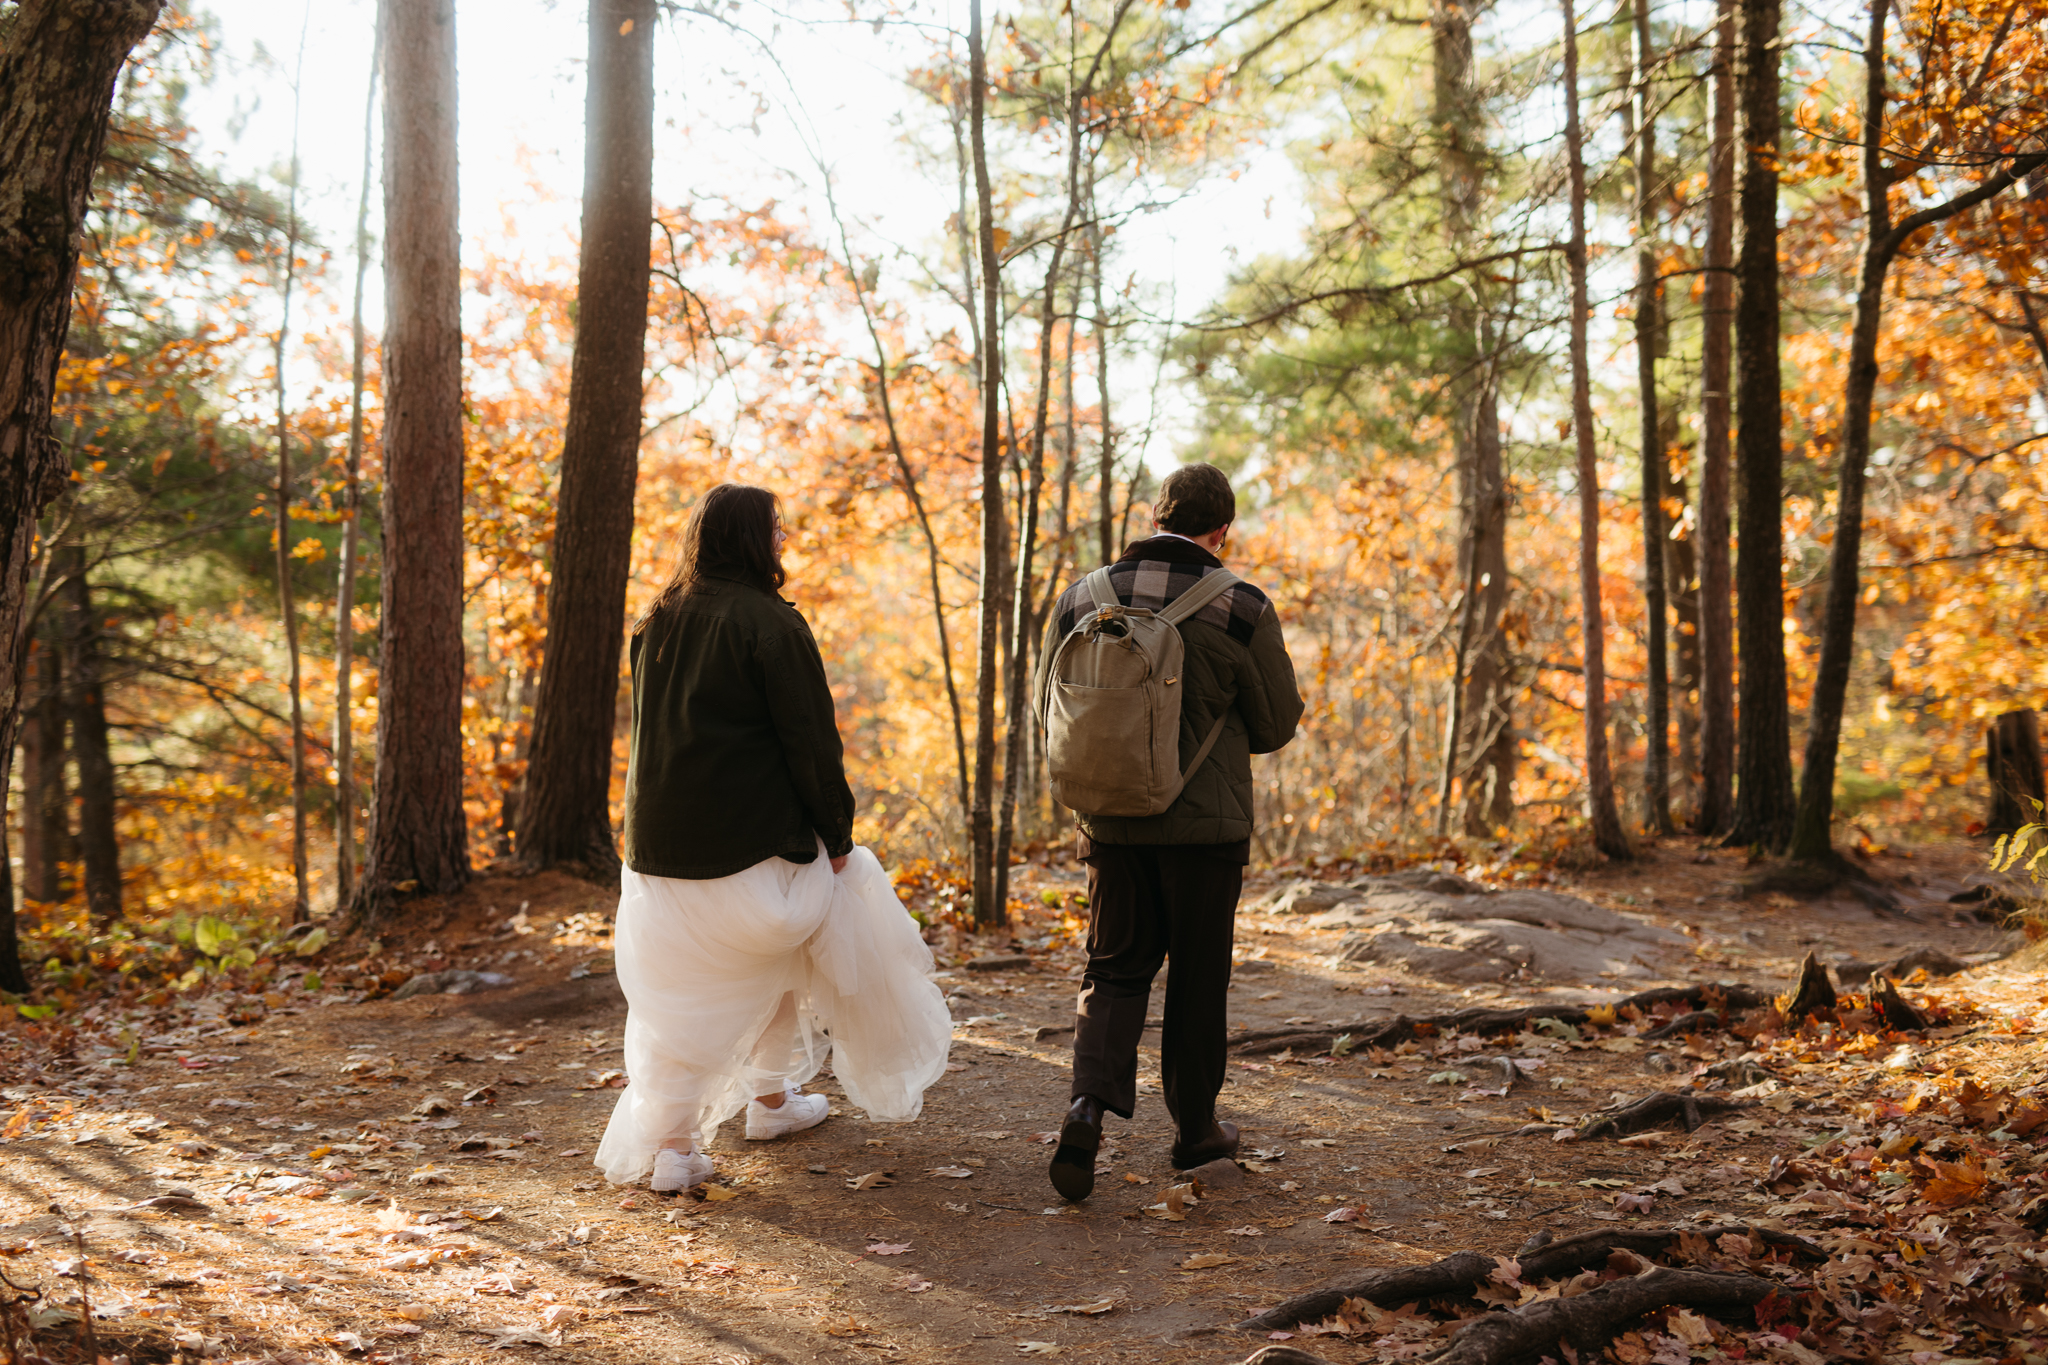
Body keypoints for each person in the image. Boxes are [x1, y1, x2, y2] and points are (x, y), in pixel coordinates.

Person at [594, 483, 952, 1193]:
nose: (785, 536)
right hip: (747, 856)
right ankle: (772, 1092)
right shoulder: (772, 625)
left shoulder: (655, 620)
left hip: (656, 860)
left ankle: (690, 1138)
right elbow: (812, 746)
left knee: (681, 997)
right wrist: (838, 835)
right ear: (754, 539)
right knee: (846, 894)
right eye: (777, 526)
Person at [1034, 463, 1304, 1200]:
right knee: (1196, 977)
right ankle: (1194, 1132)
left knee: (1114, 967)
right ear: (1222, 531)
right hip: (1205, 831)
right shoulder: (1240, 605)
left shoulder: (1082, 597)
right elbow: (1277, 723)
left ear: (1156, 517)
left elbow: (1046, 710)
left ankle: (1086, 1106)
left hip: (1112, 821)